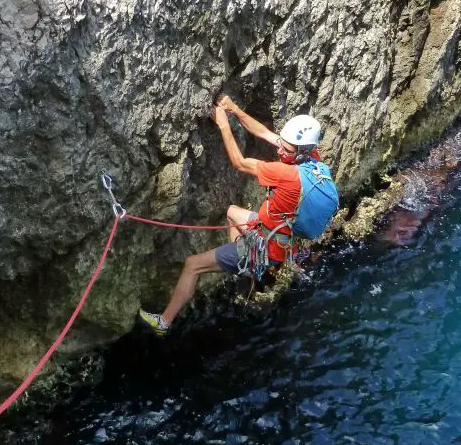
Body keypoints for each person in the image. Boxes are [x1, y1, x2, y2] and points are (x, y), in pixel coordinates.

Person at [138, 95, 327, 336]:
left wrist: (223, 124)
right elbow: (265, 133)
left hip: (265, 247)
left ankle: (163, 323)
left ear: (300, 151)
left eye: (285, 148)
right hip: (283, 238)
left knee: (192, 265)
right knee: (232, 213)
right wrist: (235, 109)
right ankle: (245, 273)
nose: (279, 149)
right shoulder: (313, 162)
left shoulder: (285, 174)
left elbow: (239, 163)